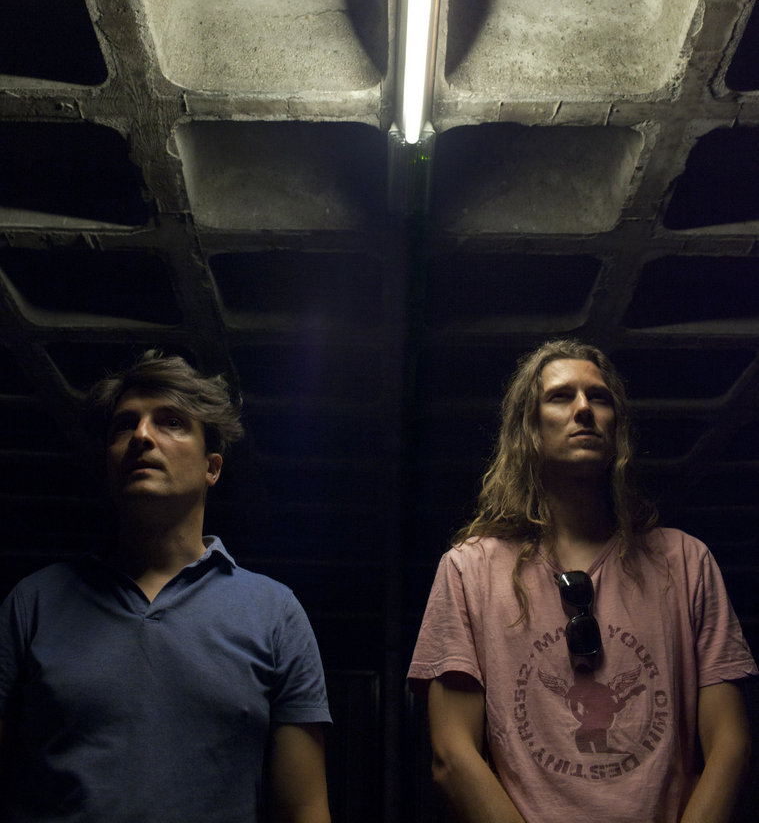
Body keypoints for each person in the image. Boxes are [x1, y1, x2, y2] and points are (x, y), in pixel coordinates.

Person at [408, 339, 756, 823]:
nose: (584, 409)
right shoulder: (470, 569)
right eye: (560, 396)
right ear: (529, 427)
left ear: (617, 426)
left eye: (599, 397)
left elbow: (730, 743)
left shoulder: (685, 561)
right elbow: (452, 755)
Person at [0, 350, 331, 823]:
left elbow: (304, 808)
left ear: (212, 467)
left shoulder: (275, 612)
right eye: (125, 425)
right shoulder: (32, 603)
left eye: (171, 422)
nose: (141, 435)